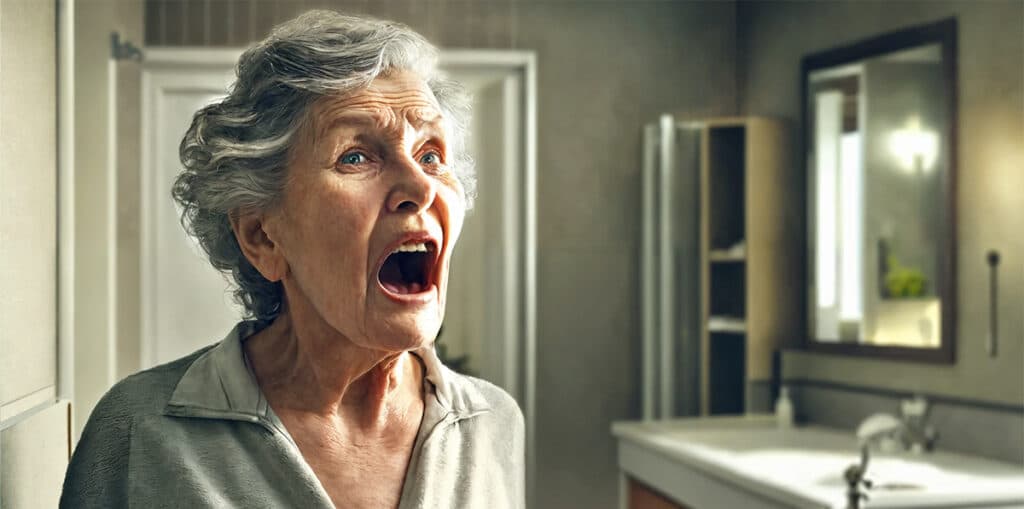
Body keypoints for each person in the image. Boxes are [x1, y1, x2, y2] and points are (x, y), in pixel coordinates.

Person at [60, 10, 524, 509]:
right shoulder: (137, 429)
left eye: (431, 155)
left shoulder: (491, 422)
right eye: (355, 156)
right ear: (263, 237)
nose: (420, 186)